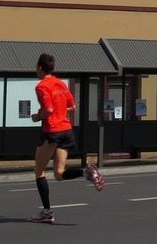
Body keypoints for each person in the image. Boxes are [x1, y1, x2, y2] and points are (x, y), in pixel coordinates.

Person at [30, 52, 104, 224]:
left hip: (52, 132)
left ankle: (47, 212)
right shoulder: (61, 84)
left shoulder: (42, 86)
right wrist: (59, 111)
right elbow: (72, 106)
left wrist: (38, 116)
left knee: (39, 171)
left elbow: (48, 110)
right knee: (58, 173)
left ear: (39, 67)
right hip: (66, 131)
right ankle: (86, 172)